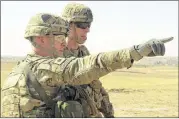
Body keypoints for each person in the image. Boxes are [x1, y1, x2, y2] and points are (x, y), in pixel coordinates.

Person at [1, 13, 173, 118]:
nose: (64, 42)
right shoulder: (42, 69)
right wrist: (135, 52)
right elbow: (85, 67)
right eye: (59, 36)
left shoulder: (19, 69)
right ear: (40, 38)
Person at [61, 3, 114, 117]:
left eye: (89, 24)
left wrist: (109, 113)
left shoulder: (83, 52)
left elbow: (96, 86)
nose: (87, 30)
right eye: (83, 25)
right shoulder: (55, 56)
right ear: (69, 25)